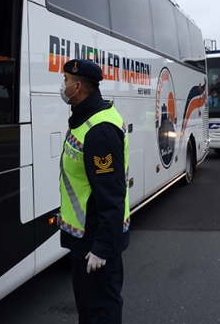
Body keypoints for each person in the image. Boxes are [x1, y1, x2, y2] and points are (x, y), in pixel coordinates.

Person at [58, 58, 130, 323]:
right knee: (88, 310)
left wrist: (102, 247)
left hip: (96, 243)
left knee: (102, 311)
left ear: (78, 87)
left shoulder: (99, 131)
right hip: (85, 239)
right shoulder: (84, 119)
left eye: (65, 81)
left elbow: (111, 195)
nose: (62, 86)